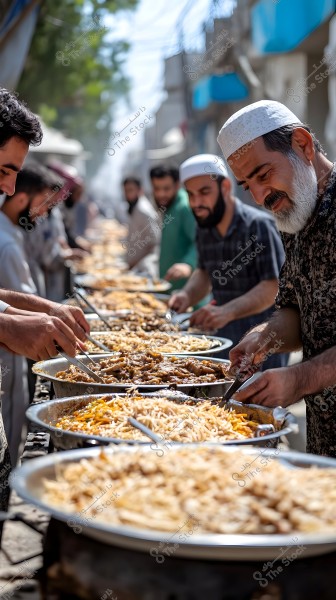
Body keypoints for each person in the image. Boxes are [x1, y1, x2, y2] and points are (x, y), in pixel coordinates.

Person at [217, 99, 336, 456]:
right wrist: (263, 339)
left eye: (263, 175)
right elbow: (295, 309)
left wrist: (300, 379)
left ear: (303, 144)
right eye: (246, 185)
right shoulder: (294, 213)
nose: (259, 197)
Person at [168, 154, 286, 365]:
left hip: (262, 344)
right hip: (222, 341)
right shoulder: (204, 227)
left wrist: (226, 311)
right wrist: (186, 295)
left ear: (225, 187)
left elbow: (272, 287)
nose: (196, 203)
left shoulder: (258, 225)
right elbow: (204, 272)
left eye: (204, 193)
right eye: (191, 195)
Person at [0, 162, 60, 462]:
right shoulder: (7, 242)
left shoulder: (11, 231)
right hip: (6, 359)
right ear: (22, 200)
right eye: (41, 204)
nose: (44, 212)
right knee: (10, 428)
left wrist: (49, 311)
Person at [149, 165, 197, 290]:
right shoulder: (169, 207)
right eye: (156, 188)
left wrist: (188, 264)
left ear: (177, 185)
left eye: (166, 188)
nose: (161, 194)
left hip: (188, 296)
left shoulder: (184, 207)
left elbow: (200, 241)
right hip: (169, 291)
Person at [122, 176, 160, 278]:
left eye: (131, 190)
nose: (127, 194)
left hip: (143, 269)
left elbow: (154, 242)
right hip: (134, 268)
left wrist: (135, 262)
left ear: (140, 190)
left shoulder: (144, 211)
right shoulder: (134, 207)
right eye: (125, 190)